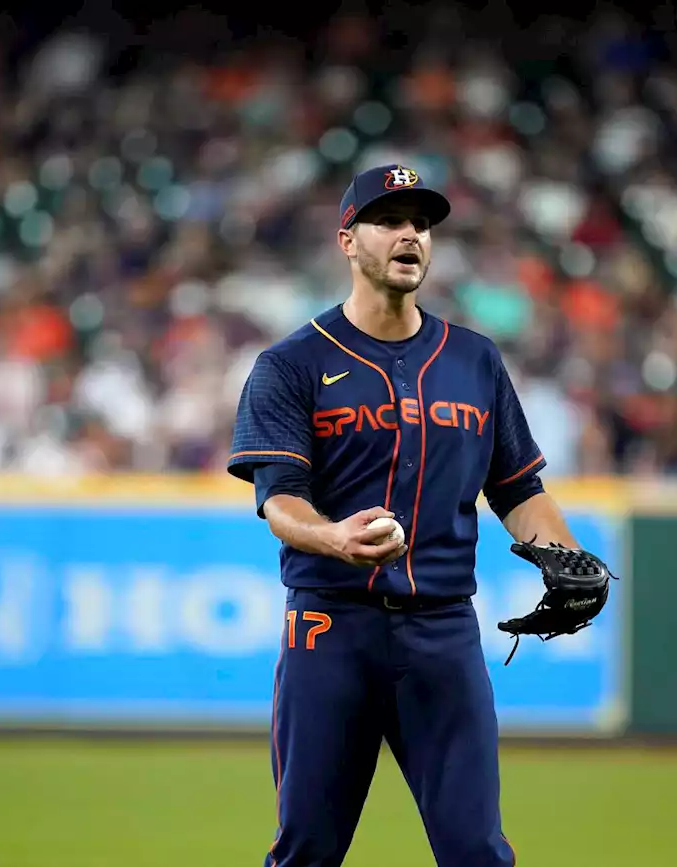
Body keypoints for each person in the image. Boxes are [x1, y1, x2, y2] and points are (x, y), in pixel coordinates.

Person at [227, 164, 585, 867]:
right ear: (347, 240)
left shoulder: (474, 360)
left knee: (478, 852)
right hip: (332, 629)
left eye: (421, 223)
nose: (410, 234)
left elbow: (517, 488)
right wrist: (332, 536)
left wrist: (567, 559)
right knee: (307, 850)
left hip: (442, 633)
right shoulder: (292, 364)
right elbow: (280, 499)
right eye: (389, 219)